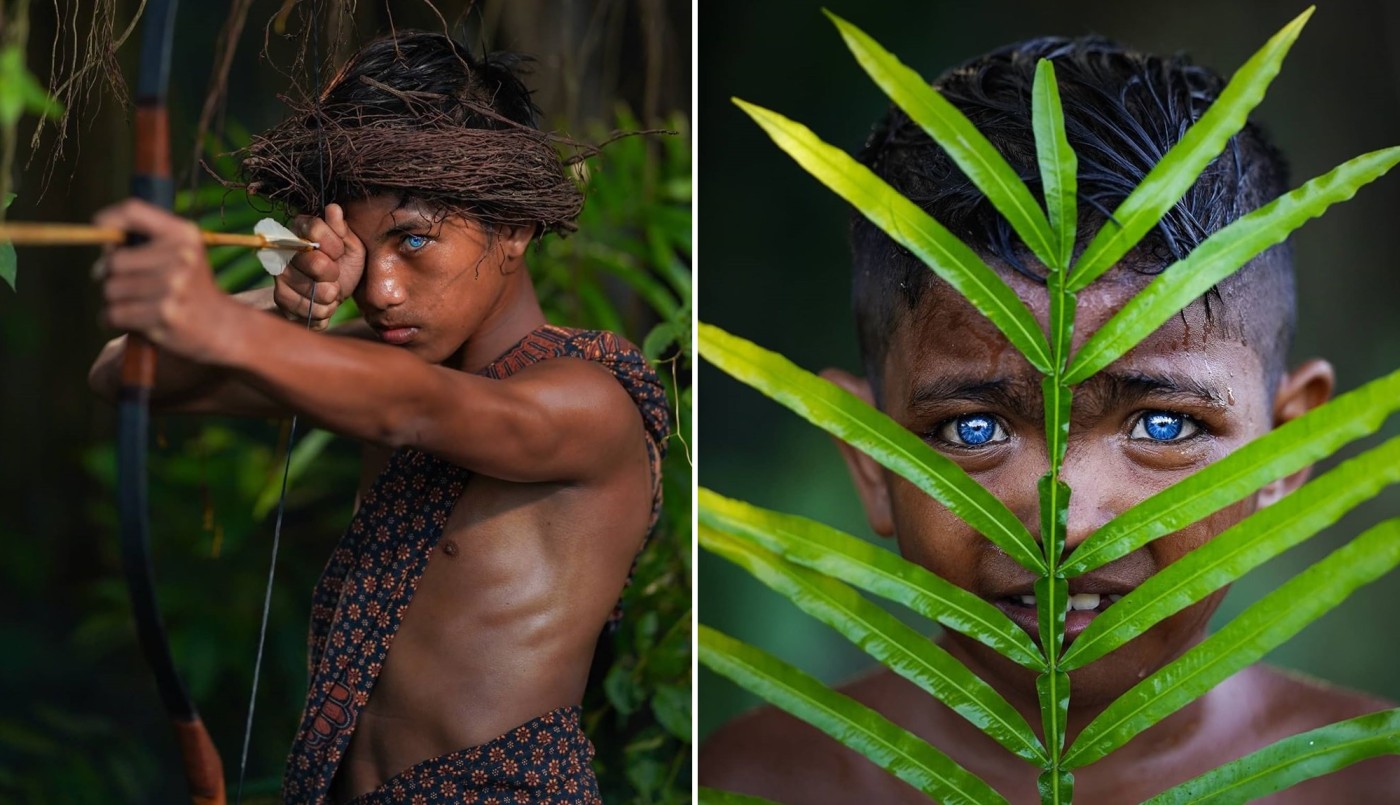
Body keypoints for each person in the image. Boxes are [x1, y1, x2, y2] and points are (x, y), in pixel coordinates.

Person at [700, 35, 1400, 803]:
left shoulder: (1370, 779)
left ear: (1288, 448)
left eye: (1163, 425)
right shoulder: (747, 783)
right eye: (974, 429)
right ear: (871, 460)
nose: (1064, 524)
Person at [88, 32, 668, 804]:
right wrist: (289, 300)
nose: (383, 289)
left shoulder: (588, 399)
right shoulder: (378, 362)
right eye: (362, 253)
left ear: (517, 226)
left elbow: (414, 410)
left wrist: (220, 323)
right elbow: (126, 372)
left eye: (415, 240)